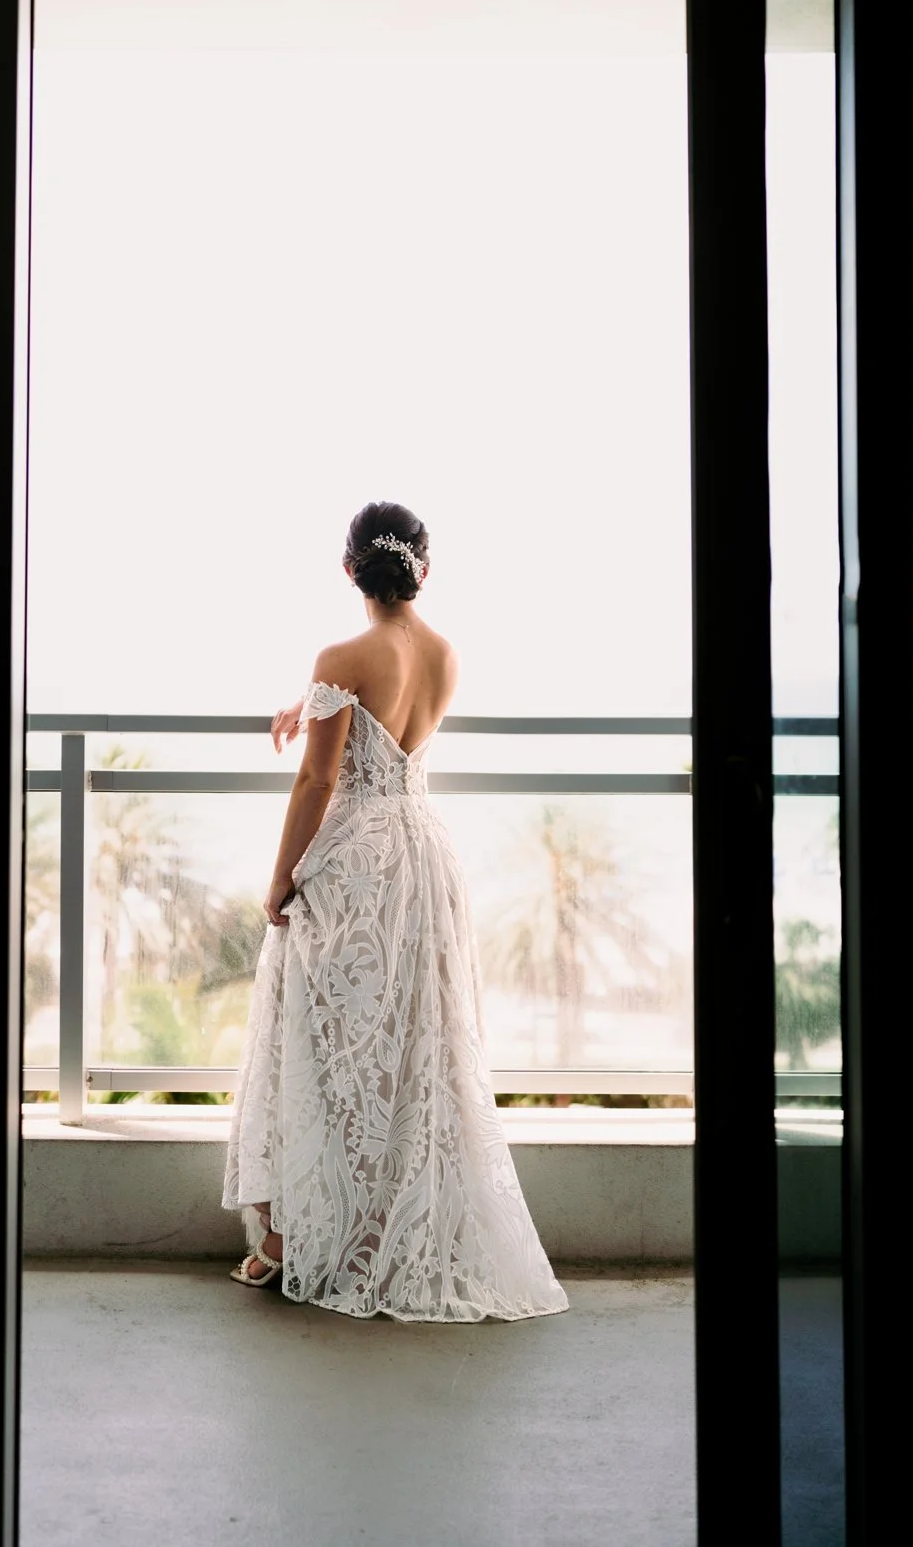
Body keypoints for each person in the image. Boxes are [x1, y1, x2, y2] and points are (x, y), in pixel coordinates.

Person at [222, 501, 568, 1322]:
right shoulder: (445, 654)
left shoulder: (341, 655)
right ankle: (381, 1229)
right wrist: (308, 704)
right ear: (421, 566)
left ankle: (285, 1241)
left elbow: (318, 780)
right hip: (423, 852)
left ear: (349, 570)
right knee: (414, 1044)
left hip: (355, 861)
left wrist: (282, 877)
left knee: (320, 1033)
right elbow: (383, 718)